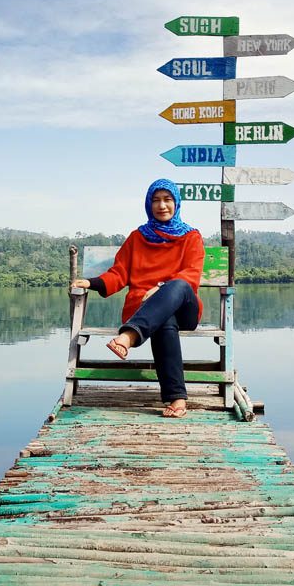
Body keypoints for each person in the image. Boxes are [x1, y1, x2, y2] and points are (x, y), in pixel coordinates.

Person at [70, 178, 204, 418]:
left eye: (167, 200)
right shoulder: (137, 237)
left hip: (185, 306)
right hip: (146, 310)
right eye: (156, 200)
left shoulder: (191, 237)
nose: (162, 205)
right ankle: (177, 398)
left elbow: (191, 274)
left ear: (176, 203)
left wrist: (162, 287)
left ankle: (128, 336)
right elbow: (119, 273)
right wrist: (92, 282)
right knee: (165, 320)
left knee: (179, 285)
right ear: (148, 204)